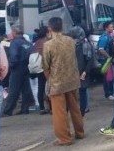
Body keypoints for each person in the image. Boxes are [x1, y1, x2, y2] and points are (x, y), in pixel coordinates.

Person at [42, 17, 84, 146]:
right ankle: (79, 132)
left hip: (57, 83)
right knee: (75, 108)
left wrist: (49, 79)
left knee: (59, 112)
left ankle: (64, 138)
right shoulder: (71, 41)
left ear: (49, 29)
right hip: (72, 80)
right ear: (62, 27)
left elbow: (45, 66)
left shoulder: (48, 45)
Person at [2, 25, 33, 116]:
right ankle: (25, 109)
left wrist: (11, 66)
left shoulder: (14, 43)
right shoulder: (28, 43)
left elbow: (14, 56)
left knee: (13, 90)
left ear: (14, 33)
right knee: (25, 90)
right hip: (27, 67)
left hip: (17, 68)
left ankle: (8, 111)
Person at [69, 26, 94, 117]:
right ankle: (77, 111)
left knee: (82, 92)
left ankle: (82, 111)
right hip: (74, 72)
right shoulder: (71, 44)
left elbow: (89, 60)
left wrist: (85, 72)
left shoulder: (85, 45)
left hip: (82, 72)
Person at [31, 26, 49, 115]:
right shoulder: (46, 42)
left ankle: (42, 108)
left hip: (37, 67)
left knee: (40, 87)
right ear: (47, 33)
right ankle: (51, 107)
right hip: (45, 67)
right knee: (50, 86)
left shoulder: (36, 43)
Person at [97, 21, 114, 100]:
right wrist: (108, 57)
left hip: (108, 59)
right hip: (105, 60)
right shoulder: (105, 37)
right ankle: (108, 94)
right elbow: (101, 49)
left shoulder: (109, 36)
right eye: (111, 27)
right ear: (106, 28)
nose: (112, 28)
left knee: (110, 76)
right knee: (107, 77)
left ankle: (110, 92)